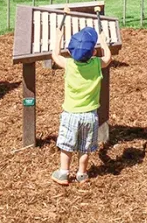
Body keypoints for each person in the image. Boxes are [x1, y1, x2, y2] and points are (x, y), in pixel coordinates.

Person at [50, 25, 112, 185]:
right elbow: (108, 59)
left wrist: (58, 37)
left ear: (70, 52)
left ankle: (63, 173)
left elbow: (55, 55)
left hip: (70, 113)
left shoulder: (69, 64)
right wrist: (104, 43)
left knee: (67, 145)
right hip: (90, 115)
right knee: (85, 147)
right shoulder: (97, 64)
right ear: (94, 52)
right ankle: (82, 174)